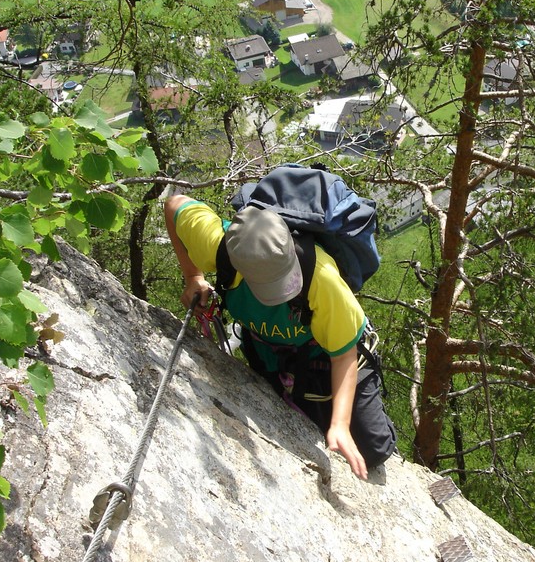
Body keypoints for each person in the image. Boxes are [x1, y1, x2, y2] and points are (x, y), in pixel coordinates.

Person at [164, 193, 397, 479]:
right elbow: (174, 204)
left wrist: (340, 423)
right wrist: (193, 277)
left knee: (373, 448)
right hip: (269, 351)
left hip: (325, 353)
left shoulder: (321, 277)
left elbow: (344, 355)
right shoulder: (220, 246)